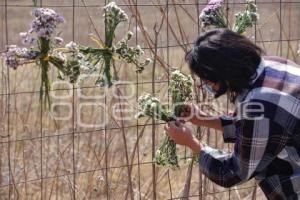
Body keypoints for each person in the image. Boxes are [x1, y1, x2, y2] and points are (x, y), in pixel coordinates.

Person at [164, 28, 300, 199]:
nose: (203, 86)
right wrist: (203, 119)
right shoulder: (273, 64)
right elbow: (266, 127)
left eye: (207, 80)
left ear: (225, 73)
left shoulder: (259, 105)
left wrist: (192, 143)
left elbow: (233, 173)